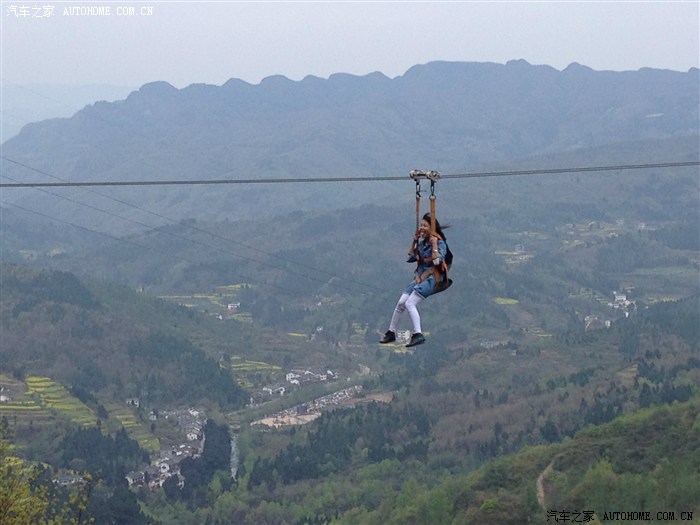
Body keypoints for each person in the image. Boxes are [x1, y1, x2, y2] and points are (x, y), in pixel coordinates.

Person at [380, 213, 449, 347]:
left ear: (432, 228)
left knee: (410, 303)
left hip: (431, 278)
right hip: (420, 277)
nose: (422, 227)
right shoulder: (423, 244)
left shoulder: (439, 243)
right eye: (421, 225)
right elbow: (411, 255)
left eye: (425, 225)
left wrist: (434, 244)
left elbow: (436, 261)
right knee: (401, 303)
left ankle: (418, 333)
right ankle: (391, 332)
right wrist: (415, 241)